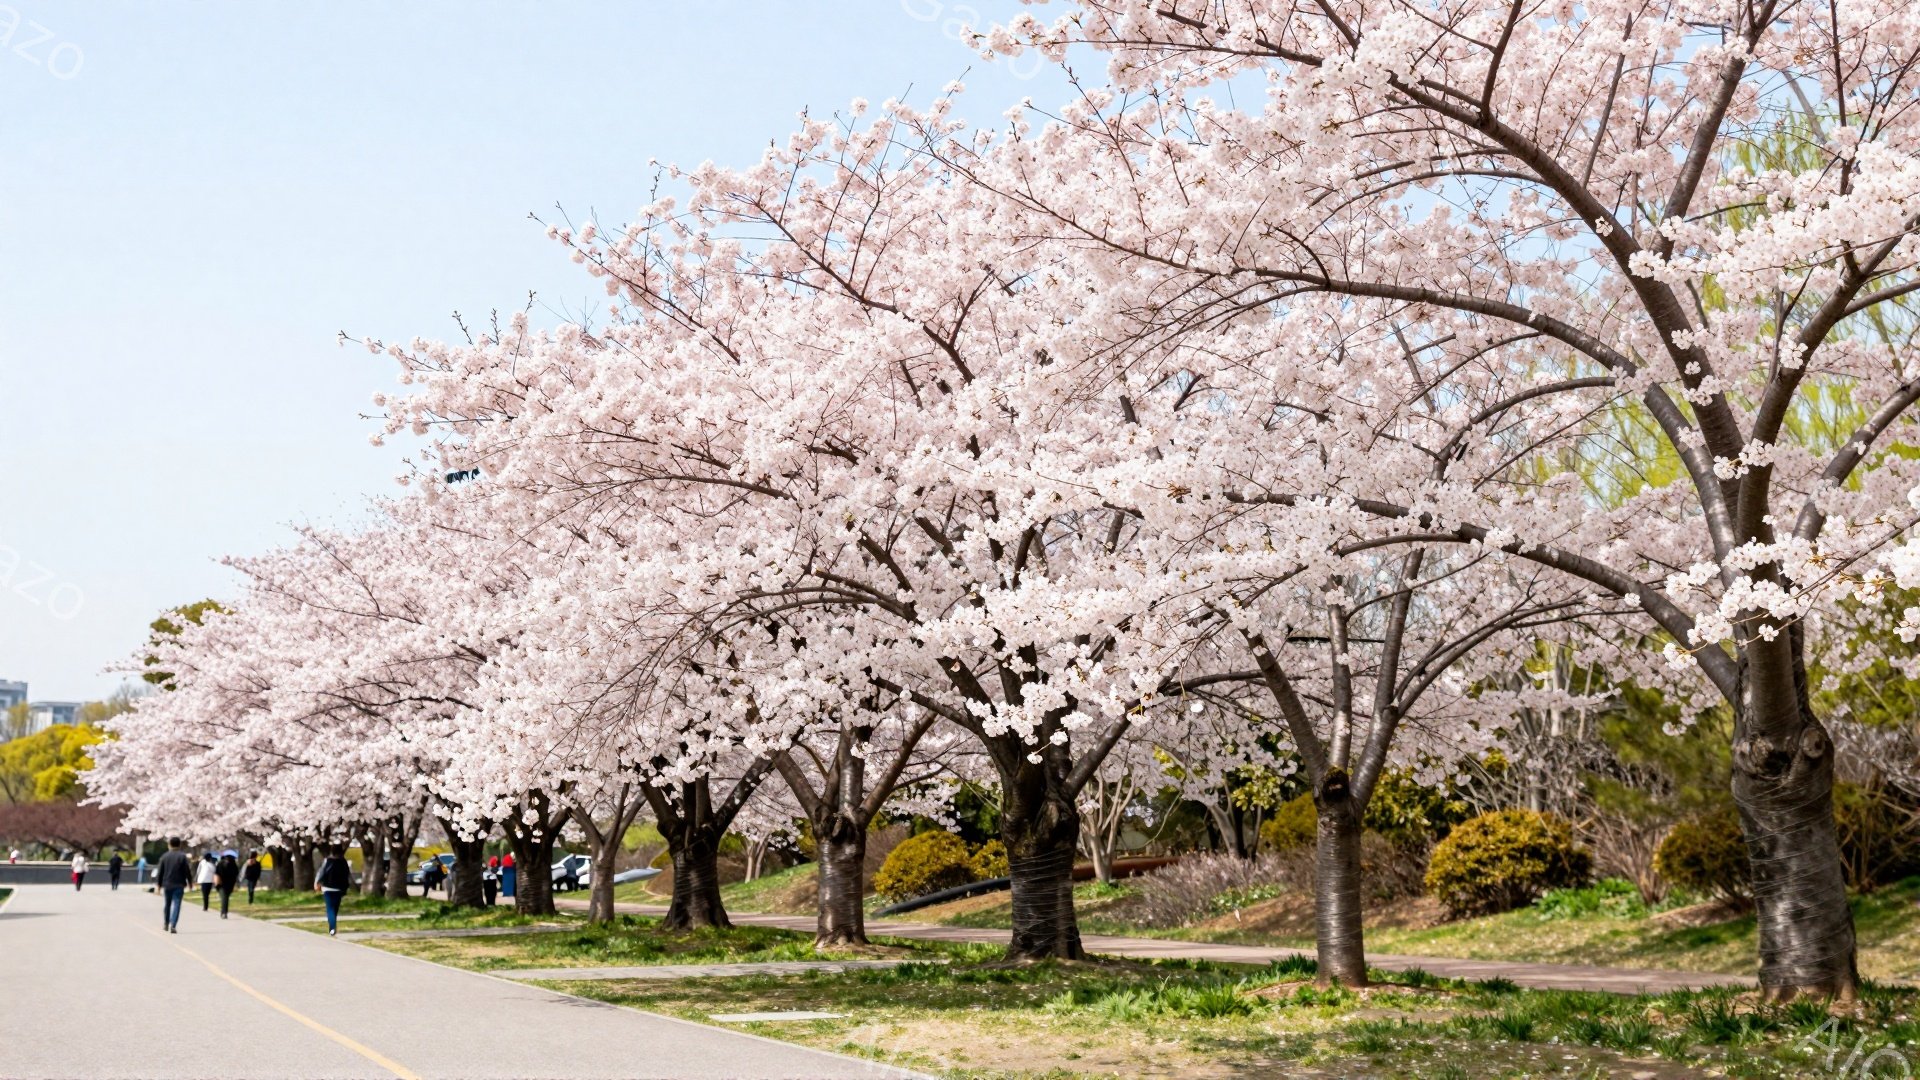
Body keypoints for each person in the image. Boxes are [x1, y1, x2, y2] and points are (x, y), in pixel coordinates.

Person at [314, 844, 351, 936]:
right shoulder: (343, 862)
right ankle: (332, 927)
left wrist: (317, 883)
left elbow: (321, 872)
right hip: (339, 889)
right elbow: (347, 875)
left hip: (327, 888)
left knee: (330, 909)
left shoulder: (328, 861)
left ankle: (332, 928)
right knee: (335, 909)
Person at [156, 838, 191, 932]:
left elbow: (160, 872)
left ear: (169, 845)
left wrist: (158, 885)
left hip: (167, 884)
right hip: (179, 884)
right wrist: (190, 883)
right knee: (177, 904)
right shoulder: (182, 856)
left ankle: (166, 923)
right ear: (179, 845)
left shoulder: (164, 856)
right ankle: (173, 925)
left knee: (167, 904)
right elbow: (187, 871)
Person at [213, 853, 239, 918]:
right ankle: (224, 912)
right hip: (230, 884)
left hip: (221, 884)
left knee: (224, 898)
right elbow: (236, 874)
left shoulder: (220, 863)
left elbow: (216, 873)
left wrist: (216, 883)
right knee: (226, 898)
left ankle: (224, 912)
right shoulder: (234, 864)